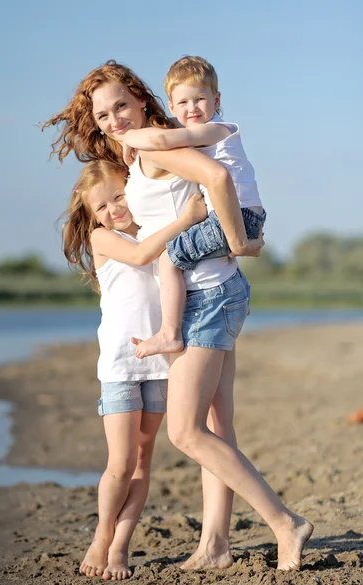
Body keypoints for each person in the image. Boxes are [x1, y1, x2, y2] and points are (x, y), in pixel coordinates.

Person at [44, 60, 313, 571]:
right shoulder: (142, 148)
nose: (113, 119)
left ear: (142, 100)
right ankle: (215, 545)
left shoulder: (155, 142)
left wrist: (238, 240)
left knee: (187, 433)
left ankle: (285, 523)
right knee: (217, 424)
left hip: (209, 296)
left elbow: (215, 178)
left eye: (121, 106)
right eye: (102, 115)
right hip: (212, 291)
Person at [61, 159, 207, 580]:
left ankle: (121, 548)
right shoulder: (102, 238)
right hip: (121, 366)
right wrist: (185, 219)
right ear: (92, 215)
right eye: (102, 205)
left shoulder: (153, 226)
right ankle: (102, 538)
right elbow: (143, 254)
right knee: (121, 463)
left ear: (131, 188)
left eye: (118, 196)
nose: (114, 209)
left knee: (144, 462)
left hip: (160, 363)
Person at [122, 55, 267, 358]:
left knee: (170, 258)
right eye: (184, 103)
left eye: (200, 99)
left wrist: (128, 136)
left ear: (216, 99)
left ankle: (169, 334)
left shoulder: (216, 129)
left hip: (233, 217)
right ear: (172, 108)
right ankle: (238, 299)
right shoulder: (201, 130)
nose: (193, 109)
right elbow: (167, 136)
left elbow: (163, 140)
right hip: (243, 215)